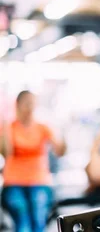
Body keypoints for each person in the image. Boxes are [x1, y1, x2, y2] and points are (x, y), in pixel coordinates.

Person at [0, 90, 66, 232]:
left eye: (32, 104)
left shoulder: (42, 127)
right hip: (13, 183)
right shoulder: (8, 128)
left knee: (38, 212)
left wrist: (62, 131)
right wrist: (5, 127)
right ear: (17, 105)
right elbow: (6, 153)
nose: (30, 108)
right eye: (26, 104)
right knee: (22, 215)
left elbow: (60, 151)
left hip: (39, 182)